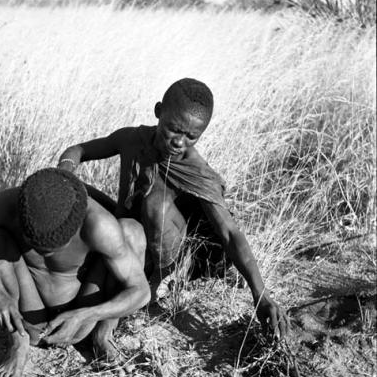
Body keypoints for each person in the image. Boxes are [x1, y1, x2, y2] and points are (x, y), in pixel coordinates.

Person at [56, 78, 289, 338]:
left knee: (156, 205)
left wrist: (261, 295)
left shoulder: (197, 172)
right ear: (158, 111)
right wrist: (64, 172)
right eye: (173, 129)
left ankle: (149, 286)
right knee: (78, 189)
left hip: (160, 256)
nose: (179, 142)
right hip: (123, 230)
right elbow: (78, 150)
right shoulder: (132, 139)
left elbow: (230, 233)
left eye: (191, 136)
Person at [0, 168, 150, 377]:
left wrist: (86, 315)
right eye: (34, 245)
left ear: (77, 226)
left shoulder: (98, 224)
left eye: (52, 248)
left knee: (131, 231)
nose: (42, 252)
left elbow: (141, 292)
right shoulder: (0, 207)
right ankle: (18, 343)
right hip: (26, 319)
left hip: (82, 317)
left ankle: (102, 337)